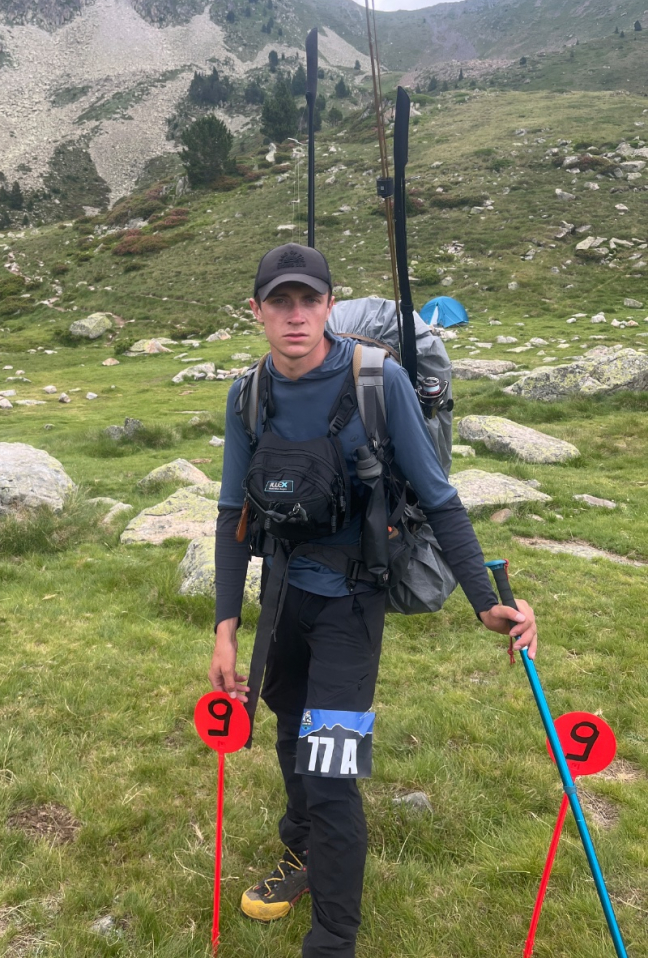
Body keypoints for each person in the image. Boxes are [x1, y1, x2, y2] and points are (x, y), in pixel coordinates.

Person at [208, 243, 537, 958]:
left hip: (352, 604)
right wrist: (226, 629)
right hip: (284, 600)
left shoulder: (376, 381)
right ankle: (302, 852)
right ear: (257, 311)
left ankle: (333, 939)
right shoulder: (247, 394)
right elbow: (234, 512)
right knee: (289, 732)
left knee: (329, 774)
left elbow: (440, 499)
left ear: (330, 306)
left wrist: (483, 601)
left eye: (309, 300)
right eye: (281, 302)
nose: (296, 315)